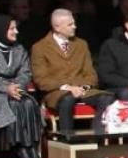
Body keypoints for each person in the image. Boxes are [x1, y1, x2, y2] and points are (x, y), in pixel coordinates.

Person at [31, 8, 113, 136]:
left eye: (74, 23)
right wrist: (68, 87)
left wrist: (83, 87)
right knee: (67, 100)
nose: (74, 26)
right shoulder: (39, 47)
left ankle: (98, 138)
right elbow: (41, 80)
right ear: (57, 27)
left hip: (83, 89)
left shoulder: (82, 44)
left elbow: (91, 75)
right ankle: (67, 140)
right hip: (57, 92)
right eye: (70, 24)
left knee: (106, 97)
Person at [0, 15, 44, 158]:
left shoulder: (19, 49)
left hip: (16, 89)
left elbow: (25, 73)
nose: (16, 32)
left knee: (28, 103)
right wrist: (6, 88)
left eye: (15, 28)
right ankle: (19, 148)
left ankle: (30, 146)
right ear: (1, 30)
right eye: (12, 28)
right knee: (13, 104)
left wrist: (16, 87)